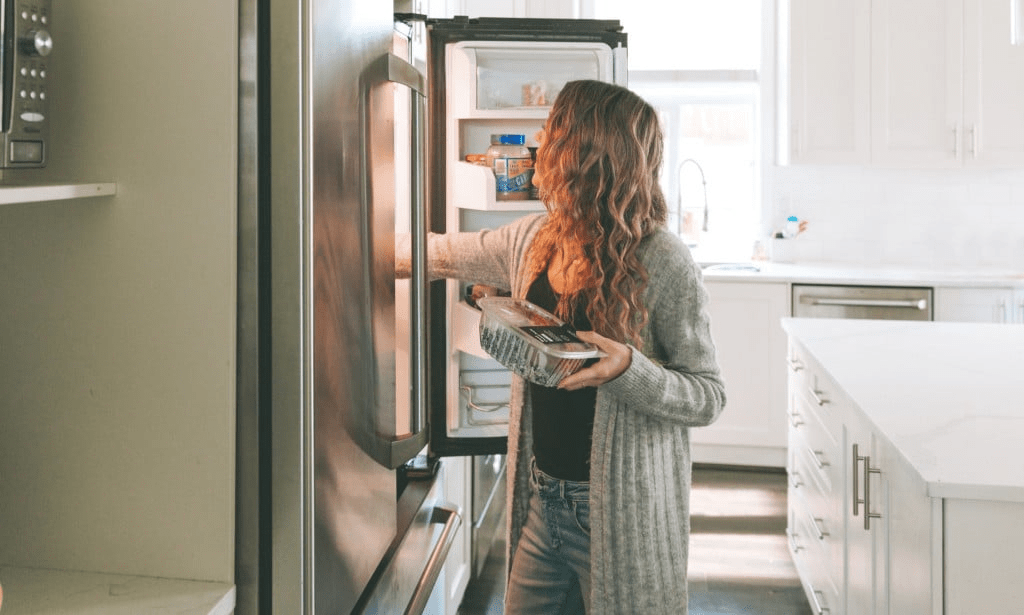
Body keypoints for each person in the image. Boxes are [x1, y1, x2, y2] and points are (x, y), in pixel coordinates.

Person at [400, 79, 725, 615]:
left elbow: (707, 395)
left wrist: (628, 370)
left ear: (584, 150)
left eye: (552, 127)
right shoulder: (533, 238)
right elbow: (436, 254)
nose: (541, 137)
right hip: (542, 500)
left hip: (619, 516)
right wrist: (339, 233)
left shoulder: (663, 261)